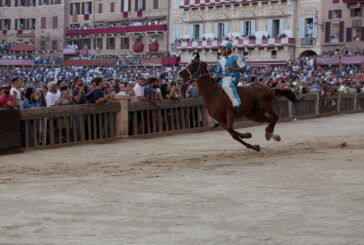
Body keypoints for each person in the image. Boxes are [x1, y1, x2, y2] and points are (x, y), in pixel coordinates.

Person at [215, 41, 247, 111]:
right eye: (221, 49)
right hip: (223, 79)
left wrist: (232, 69)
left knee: (226, 85)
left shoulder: (237, 57)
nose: (221, 51)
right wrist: (214, 77)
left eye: (222, 49)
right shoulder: (220, 61)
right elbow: (218, 72)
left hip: (233, 77)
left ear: (228, 49)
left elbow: (244, 69)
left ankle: (236, 102)